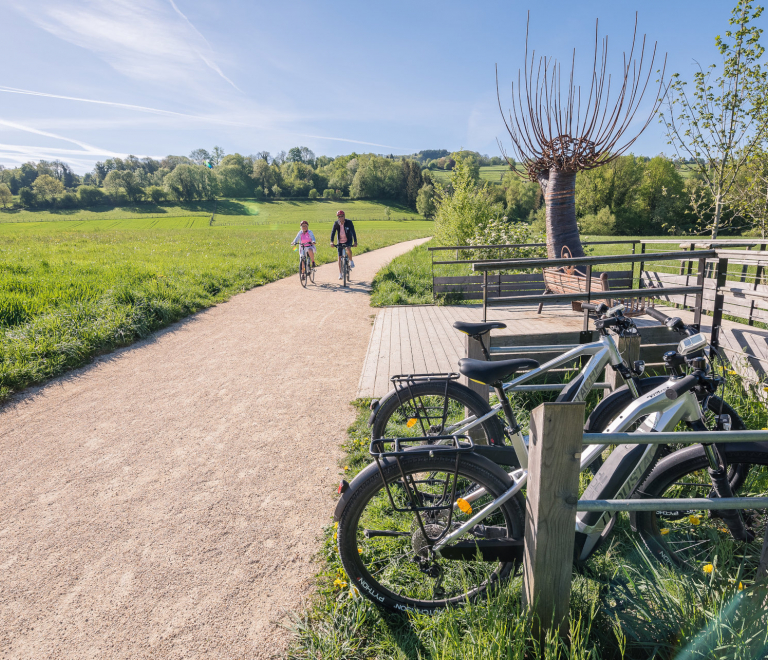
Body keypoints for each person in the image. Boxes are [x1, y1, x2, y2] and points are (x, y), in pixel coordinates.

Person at [330, 210, 357, 280]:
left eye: (342, 216)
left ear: (344, 216)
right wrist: (331, 242)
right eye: (339, 216)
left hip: (348, 240)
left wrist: (355, 241)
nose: (340, 218)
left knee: (348, 249)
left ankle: (351, 261)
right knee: (339, 257)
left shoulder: (349, 222)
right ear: (338, 217)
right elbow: (333, 232)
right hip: (340, 241)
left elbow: (353, 232)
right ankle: (340, 274)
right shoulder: (336, 223)